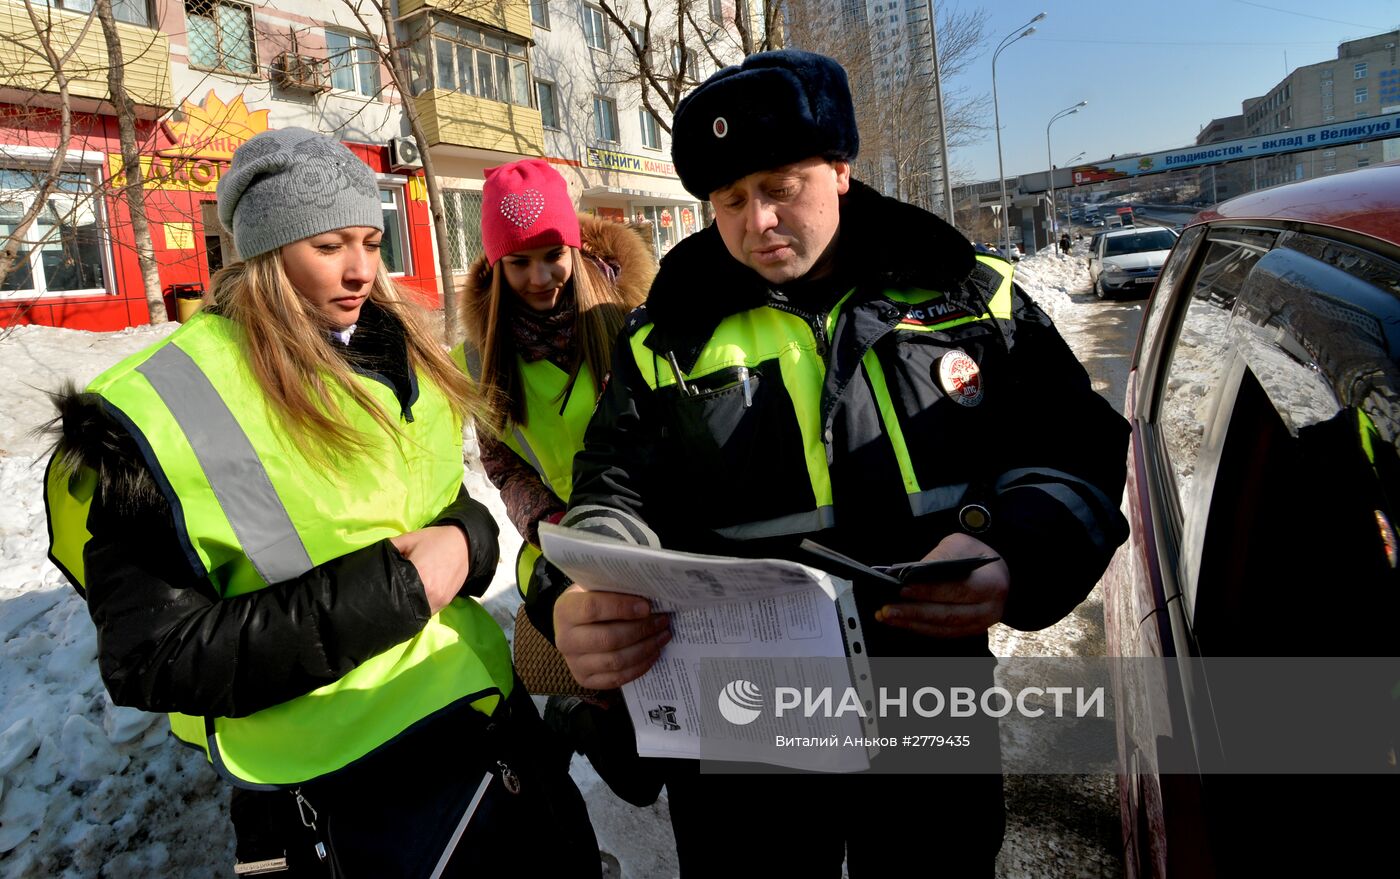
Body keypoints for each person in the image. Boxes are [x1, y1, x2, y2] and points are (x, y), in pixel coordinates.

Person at [533, 51, 1131, 875]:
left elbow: (1078, 448)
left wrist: (1012, 549)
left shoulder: (971, 296)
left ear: (841, 169)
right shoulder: (665, 336)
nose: (758, 222)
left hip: (930, 704)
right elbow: (612, 490)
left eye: (780, 186)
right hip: (744, 730)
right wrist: (582, 591)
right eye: (731, 200)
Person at [43, 128, 599, 878]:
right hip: (343, 776)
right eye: (331, 244)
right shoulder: (157, 412)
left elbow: (442, 504)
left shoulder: (399, 348)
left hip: (481, 713)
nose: (362, 270)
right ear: (266, 251)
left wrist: (469, 541)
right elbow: (154, 657)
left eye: (371, 240)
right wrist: (403, 587)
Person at [456, 159, 660, 804]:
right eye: (520, 263)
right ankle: (580, 715)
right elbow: (502, 461)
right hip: (557, 545)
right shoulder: (480, 355)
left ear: (574, 246)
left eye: (552, 255)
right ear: (495, 269)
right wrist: (555, 530)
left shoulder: (634, 323)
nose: (540, 278)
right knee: (633, 776)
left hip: (653, 534)